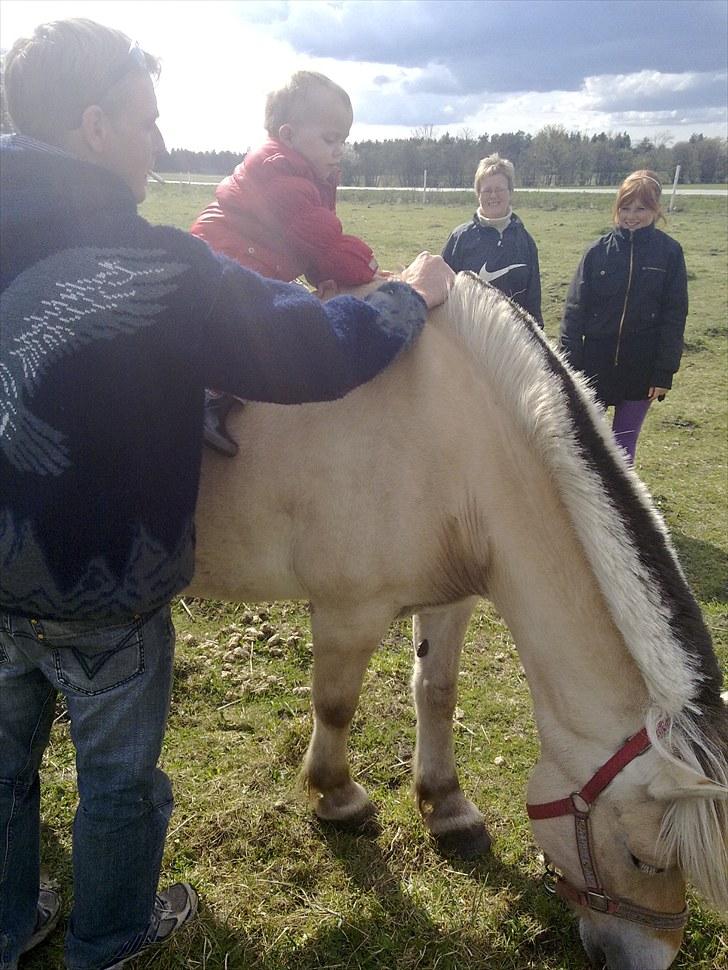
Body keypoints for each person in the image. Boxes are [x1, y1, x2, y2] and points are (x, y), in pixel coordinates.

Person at [0, 18, 454, 970]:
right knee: (119, 785)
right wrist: (407, 295)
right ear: (94, 127)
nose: (161, 141)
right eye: (146, 121)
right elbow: (310, 348)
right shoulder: (162, 266)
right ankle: (110, 939)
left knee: (3, 771)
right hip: (108, 593)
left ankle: (8, 922)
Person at [190, 70, 383, 456]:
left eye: (343, 141)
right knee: (247, 332)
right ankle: (203, 401)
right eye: (329, 139)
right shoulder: (278, 172)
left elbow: (308, 246)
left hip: (248, 262)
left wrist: (326, 273)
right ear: (289, 134)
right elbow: (327, 245)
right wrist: (372, 269)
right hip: (225, 259)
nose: (339, 150)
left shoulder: (308, 178)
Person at [559, 170, 688, 464]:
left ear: (655, 210)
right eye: (625, 208)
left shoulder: (669, 254)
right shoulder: (596, 252)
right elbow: (574, 311)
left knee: (623, 445)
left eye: (641, 209)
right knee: (584, 442)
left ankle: (619, 494)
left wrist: (663, 373)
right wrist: (570, 366)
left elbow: (674, 316)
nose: (631, 216)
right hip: (594, 365)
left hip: (641, 368)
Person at [441, 153, 543, 326]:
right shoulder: (460, 239)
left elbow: (533, 303)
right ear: (478, 194)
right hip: (467, 334)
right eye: (487, 190)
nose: (493, 196)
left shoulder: (525, 242)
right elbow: (443, 294)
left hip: (512, 336)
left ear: (510, 192)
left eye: (499, 189)